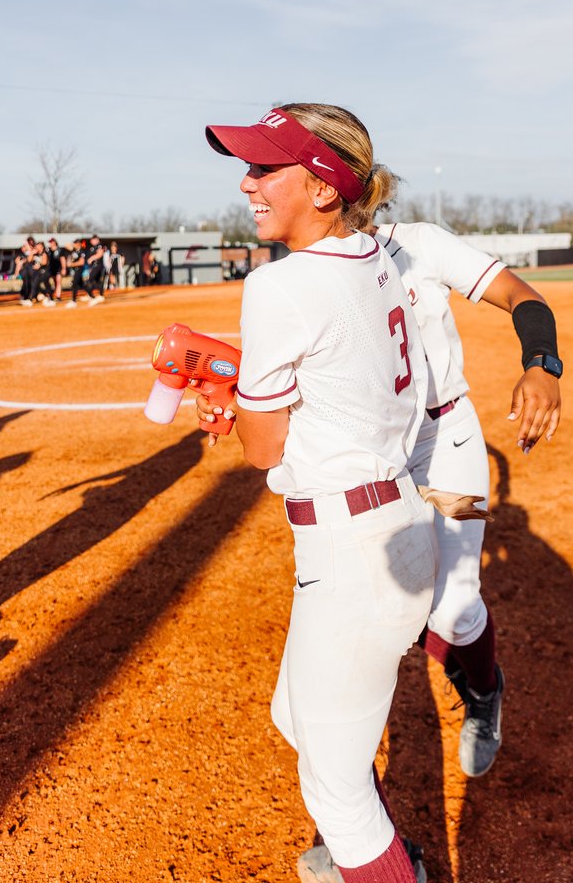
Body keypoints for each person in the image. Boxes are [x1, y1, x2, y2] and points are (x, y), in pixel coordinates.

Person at [197, 104, 436, 883]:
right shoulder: (377, 254)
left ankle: (379, 862)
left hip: (351, 548)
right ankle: (381, 856)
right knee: (293, 716)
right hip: (393, 520)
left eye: (267, 169)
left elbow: (264, 450)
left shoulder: (282, 286)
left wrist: (236, 405)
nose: (247, 182)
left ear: (326, 188)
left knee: (334, 792)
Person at [370, 219, 562, 779]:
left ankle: (483, 689)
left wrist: (542, 365)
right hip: (374, 456)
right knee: (378, 608)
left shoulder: (417, 242)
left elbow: (523, 296)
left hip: (448, 439)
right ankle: (353, 801)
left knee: (453, 606)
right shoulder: (308, 272)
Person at [83, 234, 106, 305]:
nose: (91, 241)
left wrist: (91, 258)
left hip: (98, 265)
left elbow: (100, 254)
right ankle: (98, 295)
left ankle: (92, 296)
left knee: (90, 279)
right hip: (93, 266)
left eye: (93, 240)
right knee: (96, 281)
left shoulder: (99, 245)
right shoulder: (92, 247)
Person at [65, 238, 88, 307]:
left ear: (78, 244)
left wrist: (71, 264)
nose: (73, 245)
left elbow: (81, 262)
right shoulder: (75, 251)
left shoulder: (82, 251)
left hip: (79, 269)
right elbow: (67, 245)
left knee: (74, 284)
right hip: (75, 269)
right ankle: (91, 295)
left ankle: (73, 301)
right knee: (82, 284)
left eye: (75, 243)